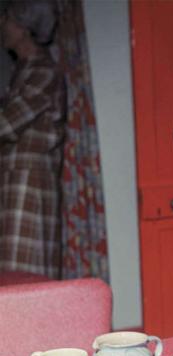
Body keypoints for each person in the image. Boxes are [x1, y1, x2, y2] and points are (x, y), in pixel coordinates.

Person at [0, 0, 65, 278]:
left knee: (26, 276)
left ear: (25, 27)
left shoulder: (43, 71)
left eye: (7, 19)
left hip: (29, 183)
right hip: (16, 179)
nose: (2, 25)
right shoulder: (22, 71)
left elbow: (5, 124)